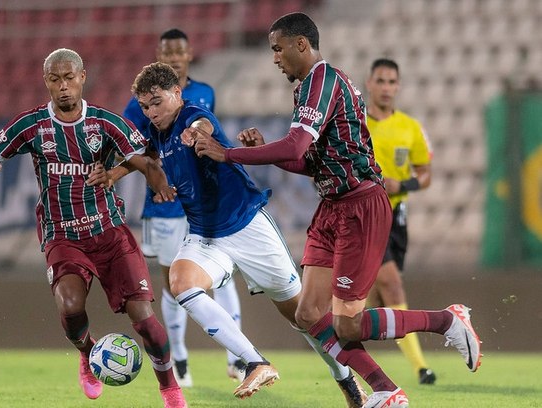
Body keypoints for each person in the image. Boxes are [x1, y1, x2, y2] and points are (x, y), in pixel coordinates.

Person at [194, 12, 482, 407]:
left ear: (301, 44)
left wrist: (229, 154)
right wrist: (261, 149)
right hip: (331, 207)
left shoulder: (324, 80)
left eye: (278, 49)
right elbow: (306, 160)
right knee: (309, 313)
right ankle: (385, 390)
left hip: (361, 205)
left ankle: (446, 320)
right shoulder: (307, 90)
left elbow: (295, 146)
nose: (275, 59)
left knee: (348, 324)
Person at [100, 61, 368, 406]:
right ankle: (256, 361)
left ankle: (348, 383)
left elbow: (203, 123)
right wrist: (117, 175)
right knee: (181, 283)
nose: (151, 111)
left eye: (157, 101)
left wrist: (198, 133)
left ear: (177, 93)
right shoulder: (157, 133)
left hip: (247, 227)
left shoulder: (191, 115)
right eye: (145, 105)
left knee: (305, 317)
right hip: (205, 235)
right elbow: (145, 157)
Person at [0, 48, 187, 408]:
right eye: (55, 80)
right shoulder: (32, 125)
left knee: (144, 319)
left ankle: (170, 390)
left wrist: (148, 180)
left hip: (109, 231)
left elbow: (146, 160)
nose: (63, 86)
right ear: (47, 83)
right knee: (69, 306)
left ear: (83, 77)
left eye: (70, 78)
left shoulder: (105, 123)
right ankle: (88, 354)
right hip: (62, 234)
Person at [123, 28, 244, 387]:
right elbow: (134, 150)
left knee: (223, 277)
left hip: (204, 204)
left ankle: (237, 358)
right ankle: (179, 358)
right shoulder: (140, 101)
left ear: (190, 54)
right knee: (173, 284)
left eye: (179, 52)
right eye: (167, 51)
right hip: (163, 206)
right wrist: (119, 171)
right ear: (159, 55)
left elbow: (208, 139)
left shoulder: (205, 93)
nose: (174, 57)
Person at [365, 58, 436, 385]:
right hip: (367, 216)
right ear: (370, 84)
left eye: (392, 82)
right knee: (393, 285)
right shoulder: (359, 126)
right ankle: (422, 368)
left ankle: (336, 343)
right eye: (381, 81)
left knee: (374, 303)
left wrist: (402, 185)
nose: (386, 88)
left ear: (398, 86)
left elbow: (425, 175)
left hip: (398, 217)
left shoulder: (410, 127)